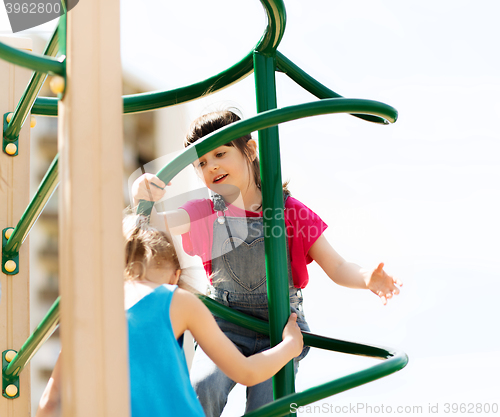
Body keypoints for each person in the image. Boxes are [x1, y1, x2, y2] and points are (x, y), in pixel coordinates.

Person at [131, 109, 403, 416]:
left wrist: (368, 278)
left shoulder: (290, 212)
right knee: (203, 388)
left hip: (280, 328)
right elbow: (156, 222)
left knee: (267, 406)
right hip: (226, 323)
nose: (212, 166)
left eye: (220, 153)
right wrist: (140, 195)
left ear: (249, 150)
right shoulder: (205, 211)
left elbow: (337, 267)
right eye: (202, 163)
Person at [35, 215, 303, 417]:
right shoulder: (177, 300)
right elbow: (247, 371)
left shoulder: (88, 311)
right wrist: (291, 345)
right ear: (175, 275)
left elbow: (49, 402)